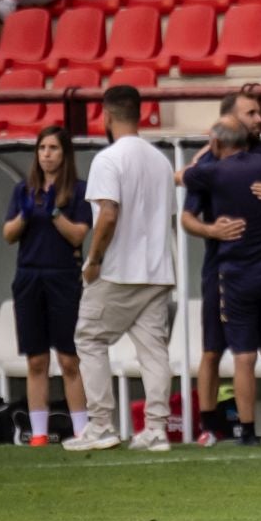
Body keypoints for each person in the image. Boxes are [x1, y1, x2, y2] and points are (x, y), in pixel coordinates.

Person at [180, 92, 261, 448]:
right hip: (230, 267)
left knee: (248, 353)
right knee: (216, 349)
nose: (259, 120)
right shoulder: (259, 165)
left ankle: (255, 431)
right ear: (232, 119)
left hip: (237, 272)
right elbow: (188, 218)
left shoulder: (214, 169)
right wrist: (210, 230)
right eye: (251, 113)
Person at [67, 86, 175, 454]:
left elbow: (108, 214)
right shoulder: (161, 161)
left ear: (106, 115)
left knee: (89, 339)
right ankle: (157, 430)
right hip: (158, 269)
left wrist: (94, 260)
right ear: (140, 114)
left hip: (117, 269)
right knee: (153, 350)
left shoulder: (108, 160)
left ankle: (100, 425)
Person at [3, 126, 92, 448]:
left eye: (53, 148)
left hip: (63, 278)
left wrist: (54, 212)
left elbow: (79, 235)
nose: (46, 154)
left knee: (69, 358)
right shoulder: (23, 190)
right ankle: (38, 433)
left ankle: (82, 431)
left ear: (64, 154)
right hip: (29, 277)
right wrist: (25, 215)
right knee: (36, 360)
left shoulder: (79, 191)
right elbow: (9, 235)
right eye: (42, 148)